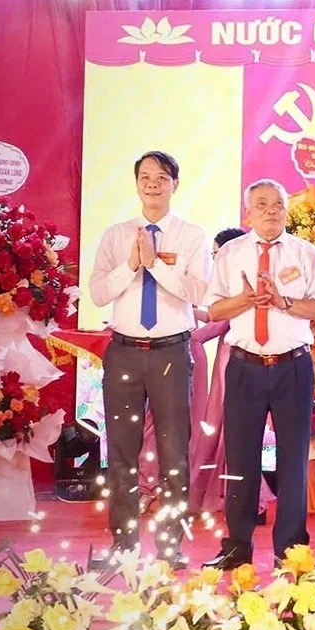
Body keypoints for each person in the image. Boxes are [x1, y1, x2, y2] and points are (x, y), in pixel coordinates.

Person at [201, 179, 315, 570]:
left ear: (286, 211)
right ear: (248, 213)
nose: (271, 211)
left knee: (294, 460)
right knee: (241, 459)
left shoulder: (306, 253)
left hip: (293, 366)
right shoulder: (230, 254)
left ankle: (291, 550)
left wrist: (282, 301)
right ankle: (237, 545)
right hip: (245, 365)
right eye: (262, 204)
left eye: (278, 204)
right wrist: (245, 299)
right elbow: (213, 311)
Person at [87, 151, 209, 570]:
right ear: (136, 183)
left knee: (175, 450)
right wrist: (131, 265)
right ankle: (123, 544)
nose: (152, 183)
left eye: (161, 177)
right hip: (123, 351)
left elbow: (196, 293)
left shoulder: (191, 236)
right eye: (145, 176)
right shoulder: (117, 235)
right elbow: (100, 293)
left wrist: (154, 264)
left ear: (175, 183)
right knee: (121, 450)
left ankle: (169, 546)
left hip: (171, 351)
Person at [137, 227, 276, 517]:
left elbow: (215, 321)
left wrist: (183, 324)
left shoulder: (244, 281)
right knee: (220, 427)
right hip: (225, 355)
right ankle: (239, 496)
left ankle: (244, 497)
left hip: (237, 357)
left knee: (228, 427)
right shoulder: (226, 282)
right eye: (212, 254)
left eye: (216, 253)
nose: (213, 259)